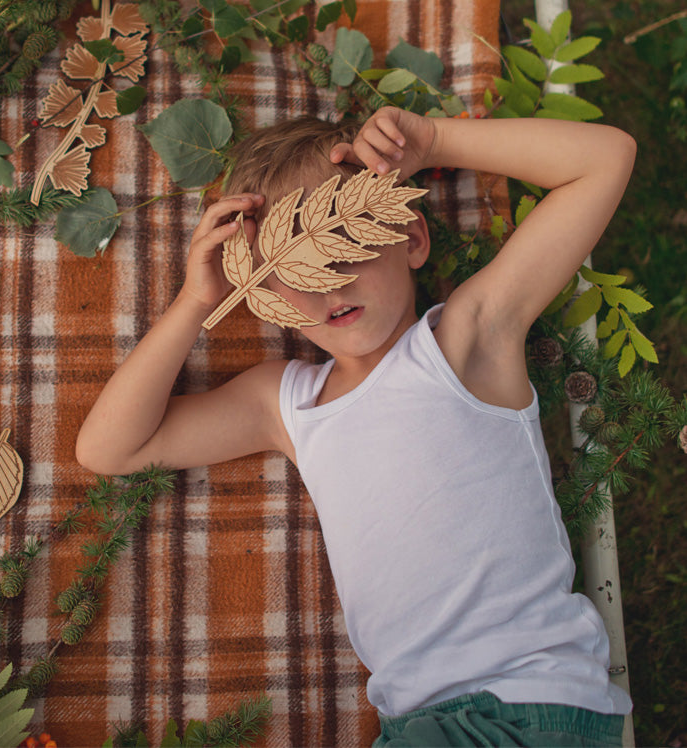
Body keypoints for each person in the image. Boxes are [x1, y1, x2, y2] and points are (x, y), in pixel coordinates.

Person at [76, 107, 636, 746]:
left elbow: (605, 158)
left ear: (412, 239)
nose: (327, 287)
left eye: (347, 247)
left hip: (524, 695)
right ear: (265, 297)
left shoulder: (463, 341)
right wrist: (196, 303)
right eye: (292, 275)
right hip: (414, 721)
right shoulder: (286, 403)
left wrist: (433, 141)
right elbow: (110, 447)